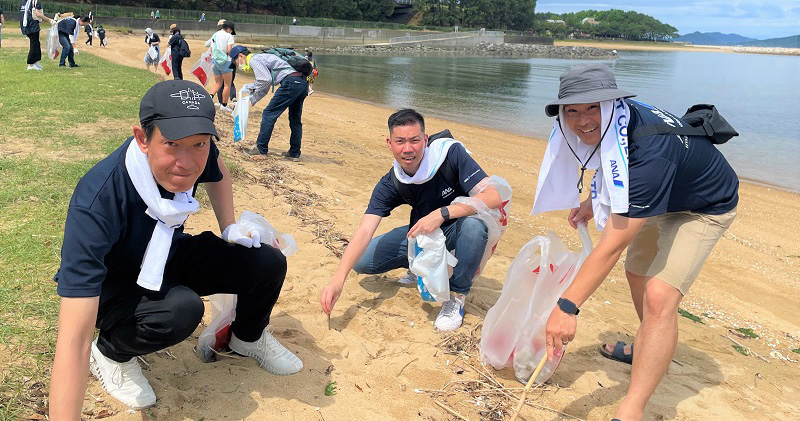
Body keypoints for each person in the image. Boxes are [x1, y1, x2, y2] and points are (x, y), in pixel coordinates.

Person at [47, 80, 303, 418]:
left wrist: (229, 227)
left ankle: (248, 339)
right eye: (171, 144)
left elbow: (217, 170)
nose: (186, 162)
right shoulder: (97, 202)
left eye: (198, 143)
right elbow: (72, 341)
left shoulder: (199, 152)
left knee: (266, 261)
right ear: (142, 139)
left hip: (165, 250)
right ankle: (111, 353)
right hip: (116, 283)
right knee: (181, 311)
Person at [532, 63, 738, 421]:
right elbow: (617, 169)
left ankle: (632, 409)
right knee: (637, 272)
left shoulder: (650, 146)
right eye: (573, 110)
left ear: (613, 104)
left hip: (704, 205)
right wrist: (590, 202)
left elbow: (611, 244)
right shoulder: (616, 123)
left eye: (593, 107)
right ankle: (649, 345)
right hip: (658, 196)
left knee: (660, 295)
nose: (583, 121)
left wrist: (566, 308)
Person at [319, 109, 504, 331]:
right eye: (400, 141)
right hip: (423, 234)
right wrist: (337, 280)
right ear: (389, 143)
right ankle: (418, 265)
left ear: (425, 140)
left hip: (458, 228)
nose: (408, 149)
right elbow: (365, 231)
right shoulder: (392, 181)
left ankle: (456, 296)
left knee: (475, 226)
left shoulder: (449, 155)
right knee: (362, 261)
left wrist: (442, 213)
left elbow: (494, 196)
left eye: (415, 140)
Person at [230, 46, 309, 161]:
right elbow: (265, 85)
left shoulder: (254, 60)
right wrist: (252, 100)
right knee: (295, 119)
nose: (237, 66)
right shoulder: (263, 57)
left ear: (240, 56)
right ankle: (294, 153)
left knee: (268, 114)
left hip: (290, 83)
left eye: (236, 62)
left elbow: (265, 80)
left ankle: (261, 149)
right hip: (302, 83)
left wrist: (249, 87)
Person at [204, 20, 235, 111]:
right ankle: (224, 105)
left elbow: (211, 47)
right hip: (225, 62)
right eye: (231, 30)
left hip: (214, 60)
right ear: (228, 28)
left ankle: (209, 98)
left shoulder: (215, 34)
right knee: (227, 85)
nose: (231, 32)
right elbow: (229, 50)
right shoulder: (229, 36)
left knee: (218, 83)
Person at [19, 0, 54, 70]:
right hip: (32, 26)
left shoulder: (23, 2)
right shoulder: (36, 2)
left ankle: (35, 62)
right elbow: (38, 14)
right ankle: (31, 64)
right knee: (34, 45)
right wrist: (49, 20)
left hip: (25, 25)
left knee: (37, 44)